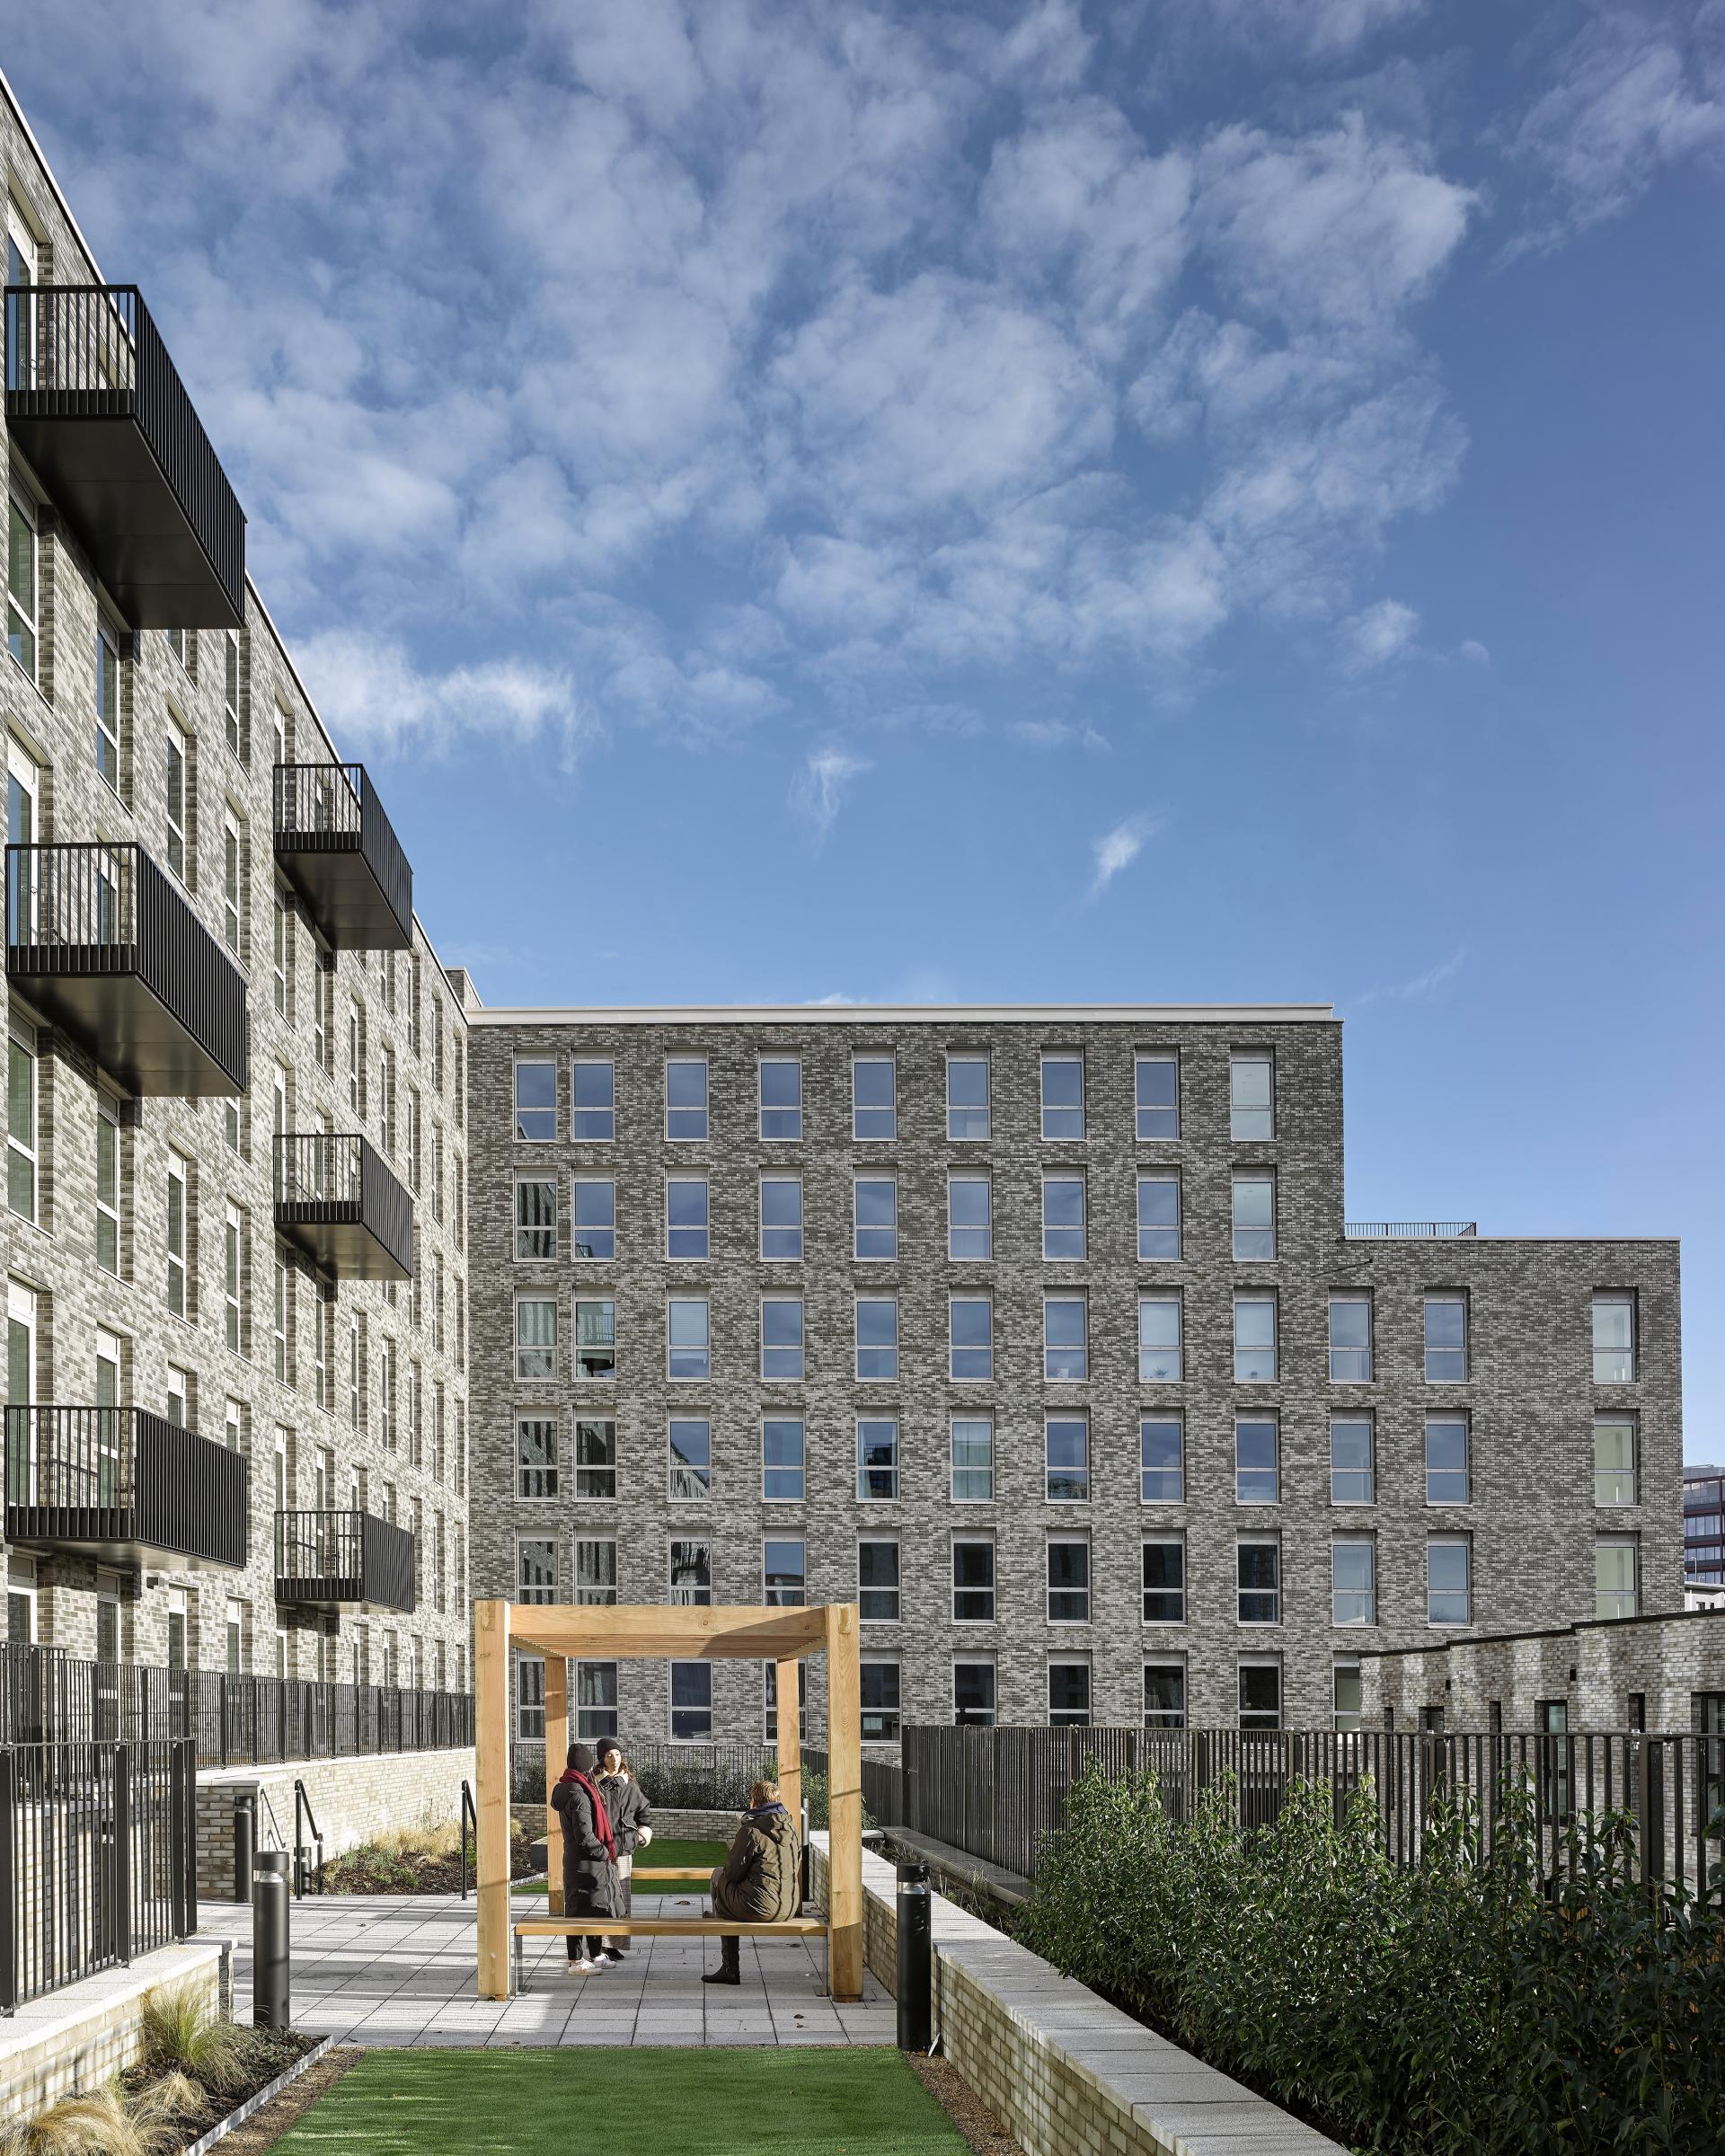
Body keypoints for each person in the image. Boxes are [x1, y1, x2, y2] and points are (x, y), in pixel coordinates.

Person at [702, 1775, 800, 1986]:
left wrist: (734, 1850)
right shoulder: (791, 1829)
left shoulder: (751, 1830)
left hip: (759, 1908)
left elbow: (733, 1874)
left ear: (754, 1801)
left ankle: (730, 1968)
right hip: (789, 1907)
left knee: (717, 1875)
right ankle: (721, 1911)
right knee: (729, 1885)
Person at [550, 1740, 619, 1975]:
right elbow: (585, 1836)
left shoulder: (569, 1787)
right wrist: (605, 1853)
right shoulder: (578, 1794)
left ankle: (597, 1954)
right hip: (585, 1863)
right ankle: (576, 1961)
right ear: (586, 1767)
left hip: (582, 1862)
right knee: (579, 1910)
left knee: (594, 1908)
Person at [594, 1738, 653, 1963]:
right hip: (599, 1849)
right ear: (602, 1758)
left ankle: (615, 1945)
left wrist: (642, 1833)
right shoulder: (594, 1783)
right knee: (600, 1897)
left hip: (624, 1848)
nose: (614, 1759)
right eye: (609, 1755)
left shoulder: (631, 1785)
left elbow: (644, 1813)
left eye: (617, 1754)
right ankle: (598, 1943)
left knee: (622, 1898)